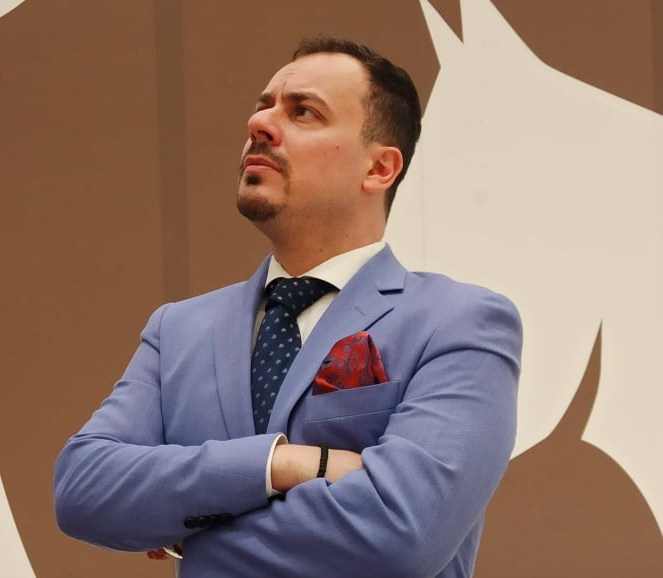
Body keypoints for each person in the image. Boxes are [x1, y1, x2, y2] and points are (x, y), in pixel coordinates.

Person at [54, 37, 521, 578]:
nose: (260, 124)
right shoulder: (177, 330)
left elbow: (401, 534)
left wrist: (189, 533)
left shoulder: (461, 323)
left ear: (379, 168)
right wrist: (283, 463)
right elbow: (82, 488)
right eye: (264, 106)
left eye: (304, 112)